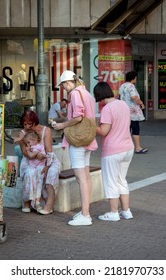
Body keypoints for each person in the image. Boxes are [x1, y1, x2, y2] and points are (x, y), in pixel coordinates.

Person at [52, 70, 98, 226]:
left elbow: (78, 116)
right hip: (87, 138)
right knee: (86, 176)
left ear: (67, 83)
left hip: (77, 141)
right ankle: (86, 211)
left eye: (63, 85)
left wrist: (62, 125)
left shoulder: (75, 94)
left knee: (81, 177)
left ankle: (85, 215)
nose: (63, 88)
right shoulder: (86, 93)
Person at [93, 82, 134, 221]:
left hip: (112, 150)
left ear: (99, 95)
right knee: (121, 180)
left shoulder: (107, 109)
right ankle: (126, 211)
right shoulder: (123, 104)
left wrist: (91, 126)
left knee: (111, 182)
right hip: (128, 147)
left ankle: (113, 213)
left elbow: (103, 131)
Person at [16, 110, 61, 214]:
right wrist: (35, 155)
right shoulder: (22, 133)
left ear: (35, 122)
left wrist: (47, 166)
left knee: (52, 172)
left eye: (29, 124)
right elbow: (24, 152)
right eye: (24, 124)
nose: (27, 127)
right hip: (30, 159)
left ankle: (48, 206)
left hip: (47, 159)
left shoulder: (46, 130)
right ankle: (27, 202)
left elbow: (49, 151)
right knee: (30, 172)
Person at [119, 71, 148, 154]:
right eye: (136, 77)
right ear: (133, 78)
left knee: (126, 130)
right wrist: (141, 103)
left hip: (124, 110)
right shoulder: (131, 86)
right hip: (132, 112)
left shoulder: (122, 86)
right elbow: (133, 96)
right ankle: (138, 148)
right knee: (135, 129)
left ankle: (125, 148)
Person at [21, 131, 47, 210]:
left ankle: (37, 202)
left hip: (39, 168)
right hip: (33, 167)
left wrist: (28, 150)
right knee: (33, 183)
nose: (28, 144)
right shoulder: (37, 146)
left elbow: (31, 155)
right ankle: (33, 201)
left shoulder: (37, 148)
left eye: (29, 142)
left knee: (38, 184)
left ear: (35, 140)